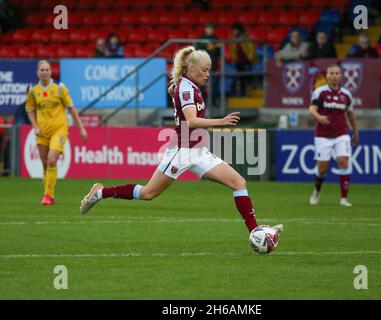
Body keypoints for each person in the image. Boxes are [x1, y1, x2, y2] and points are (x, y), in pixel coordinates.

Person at [79, 46, 283, 239]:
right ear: (191, 68)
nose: (207, 74)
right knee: (148, 193)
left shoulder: (186, 86)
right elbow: (192, 120)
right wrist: (220, 121)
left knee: (238, 182)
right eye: (204, 70)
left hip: (199, 151)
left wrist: (174, 93)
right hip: (182, 150)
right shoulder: (186, 89)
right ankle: (99, 193)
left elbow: (172, 92)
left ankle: (255, 231)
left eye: (209, 70)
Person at [26, 60, 87, 205]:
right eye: (42, 70)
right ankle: (48, 192)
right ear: (37, 72)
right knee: (45, 164)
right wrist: (35, 126)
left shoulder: (60, 88)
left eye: (47, 70)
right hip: (42, 131)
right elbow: (30, 110)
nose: (45, 72)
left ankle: (48, 195)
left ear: (51, 71)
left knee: (52, 159)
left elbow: (71, 108)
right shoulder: (33, 91)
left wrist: (81, 127)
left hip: (59, 129)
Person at [308, 64, 359, 207]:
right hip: (323, 135)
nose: (334, 76)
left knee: (343, 161)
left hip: (341, 133)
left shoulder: (346, 94)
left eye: (337, 73)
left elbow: (350, 114)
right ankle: (317, 191)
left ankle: (344, 198)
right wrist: (319, 117)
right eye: (331, 73)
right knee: (323, 167)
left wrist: (355, 131)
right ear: (327, 76)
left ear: (340, 75)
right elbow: (312, 109)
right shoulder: (320, 92)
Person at [229, 23, 258, 96]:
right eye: (233, 30)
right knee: (241, 77)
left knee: (246, 76)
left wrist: (249, 59)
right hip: (238, 62)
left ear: (239, 30)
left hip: (246, 61)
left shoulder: (246, 38)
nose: (234, 32)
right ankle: (242, 93)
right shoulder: (233, 39)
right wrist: (234, 59)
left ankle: (252, 85)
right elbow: (232, 51)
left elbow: (251, 49)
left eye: (235, 30)